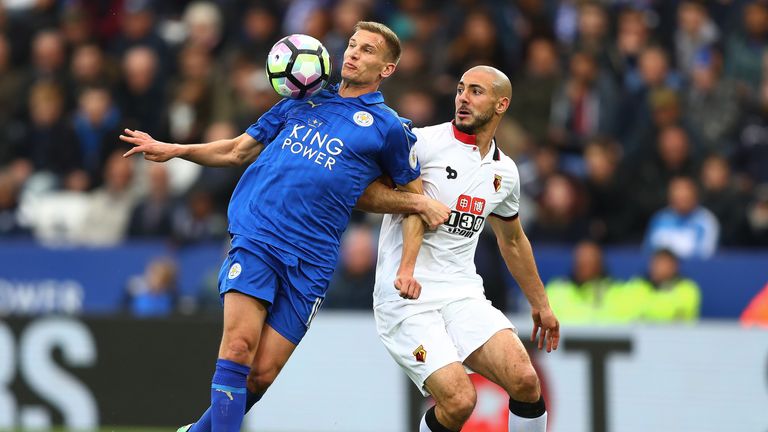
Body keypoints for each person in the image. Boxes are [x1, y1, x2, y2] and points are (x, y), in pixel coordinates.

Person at [120, 21, 450, 432]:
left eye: (366, 50)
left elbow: (414, 199)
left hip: (312, 259)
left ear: (387, 69)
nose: (352, 53)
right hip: (259, 234)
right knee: (238, 346)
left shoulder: (388, 128)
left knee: (261, 375)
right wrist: (175, 149)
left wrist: (408, 265)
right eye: (351, 45)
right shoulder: (302, 99)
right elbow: (238, 149)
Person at [360, 66, 559, 432]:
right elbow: (362, 194)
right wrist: (417, 204)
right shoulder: (421, 143)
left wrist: (541, 304)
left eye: (476, 92)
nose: (463, 98)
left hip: (462, 294)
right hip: (406, 298)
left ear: (501, 105)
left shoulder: (506, 173)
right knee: (459, 400)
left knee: (525, 381)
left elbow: (512, 240)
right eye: (460, 89)